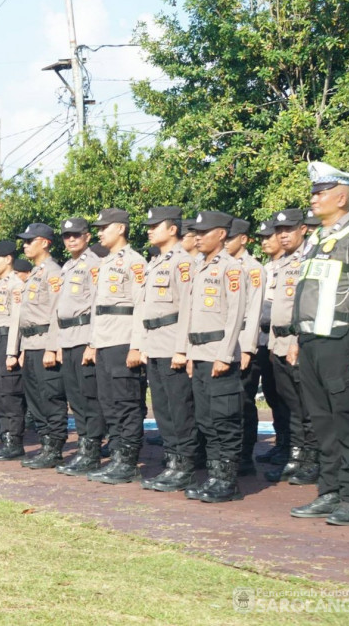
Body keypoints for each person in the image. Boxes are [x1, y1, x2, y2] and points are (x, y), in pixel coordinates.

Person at [293, 162, 349, 526]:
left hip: (344, 340)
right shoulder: (316, 239)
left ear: (342, 196)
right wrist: (298, 338)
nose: (314, 198)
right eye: (314, 192)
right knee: (322, 421)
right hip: (313, 341)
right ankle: (328, 490)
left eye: (321, 192)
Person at [179, 211, 248, 503]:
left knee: (225, 419)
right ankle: (214, 476)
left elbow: (235, 315)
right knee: (206, 420)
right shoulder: (197, 267)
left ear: (221, 234)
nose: (197, 236)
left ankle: (227, 481)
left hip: (219, 352)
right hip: (200, 353)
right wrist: (188, 352)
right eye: (195, 232)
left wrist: (224, 354)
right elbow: (190, 314)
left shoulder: (231, 268)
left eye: (204, 232)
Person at [134, 207, 197, 491]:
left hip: (173, 342)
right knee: (162, 408)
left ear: (173, 229)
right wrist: (144, 344)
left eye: (155, 225)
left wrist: (182, 349)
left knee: (179, 408)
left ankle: (184, 465)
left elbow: (187, 308)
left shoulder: (182, 262)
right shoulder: (156, 261)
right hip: (155, 343)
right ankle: (172, 462)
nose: (149, 229)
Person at [86, 209, 149, 485]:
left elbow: (141, 305)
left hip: (124, 340)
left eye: (104, 227)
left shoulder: (134, 262)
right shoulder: (105, 262)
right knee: (109, 404)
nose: (99, 232)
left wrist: (136, 346)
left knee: (127, 403)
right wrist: (93, 343)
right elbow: (98, 310)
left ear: (120, 229)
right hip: (105, 341)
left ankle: (129, 461)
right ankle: (116, 456)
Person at [264, 208, 319, 486]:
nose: (283, 236)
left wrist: (297, 340)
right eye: (279, 231)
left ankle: (312, 459)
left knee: (306, 406)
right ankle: (296, 457)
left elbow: (309, 306)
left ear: (303, 229)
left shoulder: (311, 258)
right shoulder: (282, 262)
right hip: (279, 342)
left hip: (300, 341)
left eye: (289, 230)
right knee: (290, 406)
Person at [8, 223, 68, 468]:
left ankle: (54, 448)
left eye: (29, 241)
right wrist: (21, 349)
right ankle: (45, 446)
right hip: (31, 344)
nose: (25, 245)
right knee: (35, 400)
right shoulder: (34, 273)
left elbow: (56, 312)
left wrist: (52, 347)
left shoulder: (53, 272)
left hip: (45, 342)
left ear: (44, 242)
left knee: (50, 397)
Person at [51, 218, 106, 475]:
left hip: (85, 335)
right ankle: (84, 448)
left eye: (76, 235)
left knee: (88, 398)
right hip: (68, 337)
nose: (71, 239)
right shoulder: (68, 266)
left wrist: (93, 343)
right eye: (66, 236)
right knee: (75, 397)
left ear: (87, 237)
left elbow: (97, 305)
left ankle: (92, 450)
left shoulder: (93, 264)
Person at [225, 219, 265, 477]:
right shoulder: (222, 265)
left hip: (242, 340)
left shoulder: (253, 269)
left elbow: (254, 311)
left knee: (244, 401)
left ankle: (245, 455)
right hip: (222, 341)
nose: (225, 241)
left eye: (231, 237)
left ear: (244, 239)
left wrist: (248, 348)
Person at [0, 242, 27, 461]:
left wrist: (12, 352)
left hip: (7, 340)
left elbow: (17, 320)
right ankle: (5, 438)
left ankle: (14, 442)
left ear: (8, 259)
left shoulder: (15, 284)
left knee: (10, 394)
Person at [255, 219, 291, 466]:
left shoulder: (291, 266)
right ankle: (281, 443)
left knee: (285, 396)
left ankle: (290, 446)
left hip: (281, 338)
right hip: (264, 339)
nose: (265, 241)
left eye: (270, 236)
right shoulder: (267, 267)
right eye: (263, 237)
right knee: (271, 393)